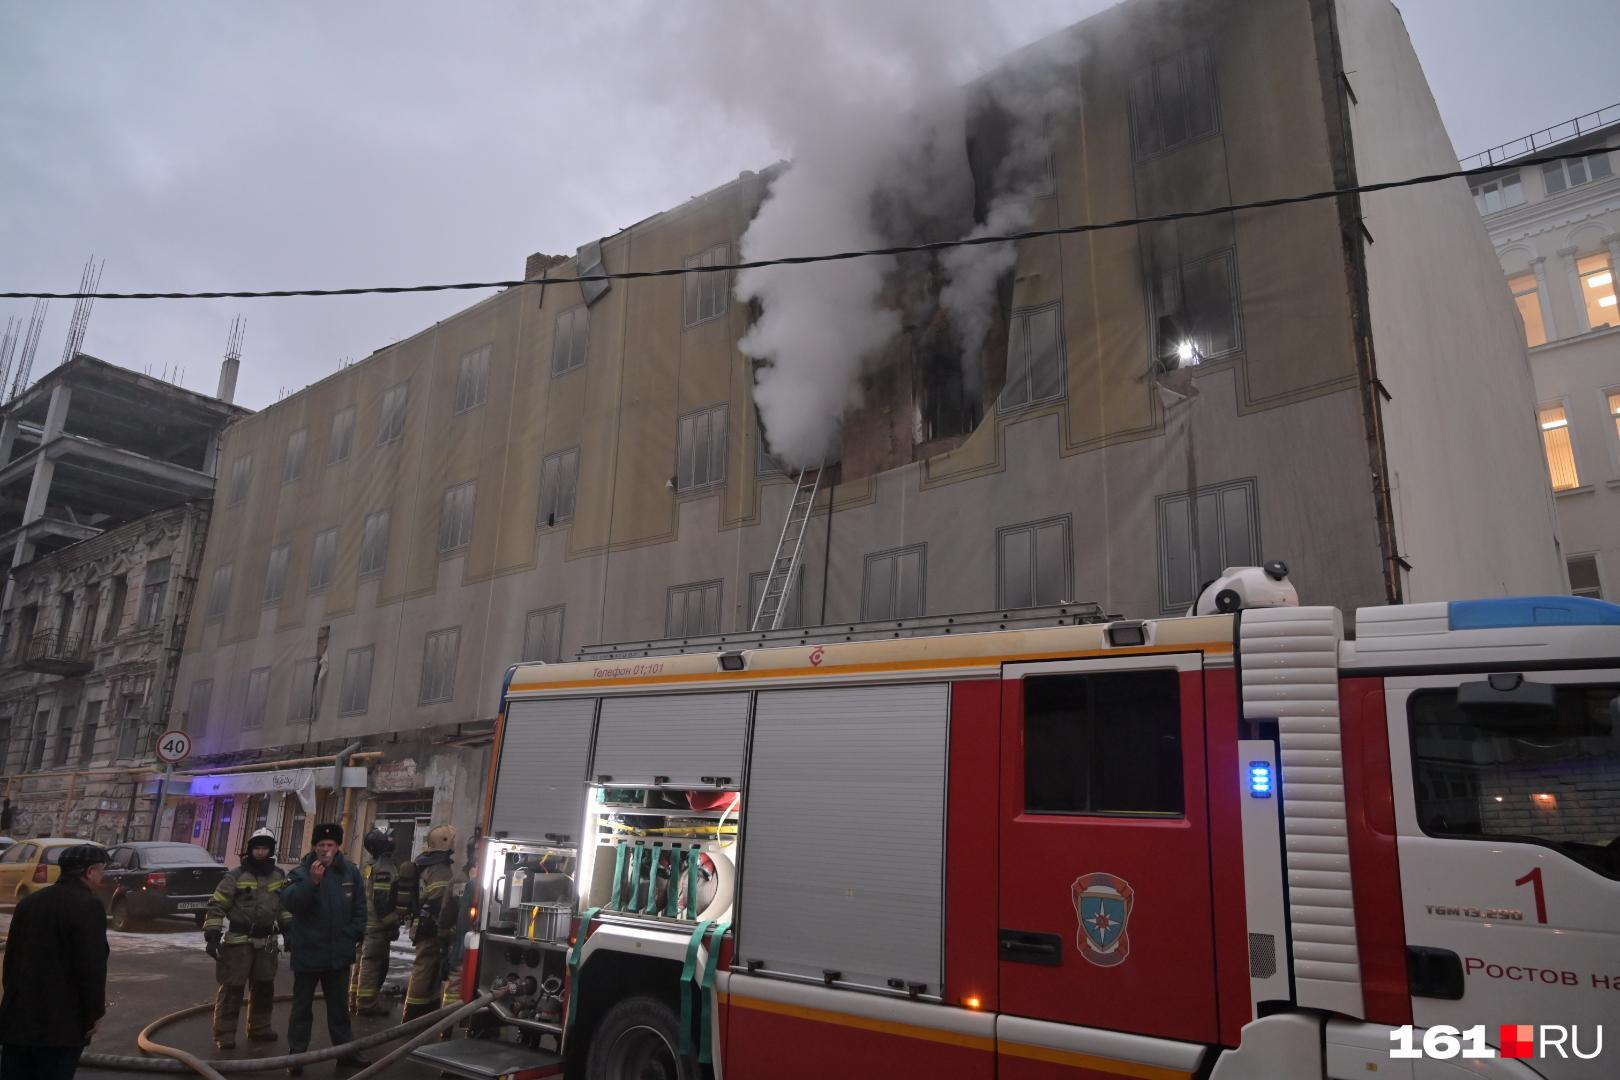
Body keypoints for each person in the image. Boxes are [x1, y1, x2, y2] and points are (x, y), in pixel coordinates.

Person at [0, 844, 110, 1080]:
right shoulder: (88, 906)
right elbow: (90, 966)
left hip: (17, 1020)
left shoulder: (30, 903)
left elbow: (11, 960)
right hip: (61, 1024)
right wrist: (93, 1012)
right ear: (89, 872)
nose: (103, 877)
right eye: (102, 871)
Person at [282, 823, 368, 1075]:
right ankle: (296, 1056)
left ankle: (345, 1052)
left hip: (338, 955)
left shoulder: (350, 873)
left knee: (339, 1007)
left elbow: (360, 909)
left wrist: (354, 933)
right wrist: (312, 882)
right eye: (321, 845)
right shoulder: (300, 873)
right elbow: (292, 904)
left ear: (338, 847)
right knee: (302, 1008)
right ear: (314, 847)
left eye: (330, 845)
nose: (325, 850)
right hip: (308, 953)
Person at [203, 827, 292, 1050]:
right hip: (239, 941)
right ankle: (224, 1034)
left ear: (270, 851)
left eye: (264, 848)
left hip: (266, 942)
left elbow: (283, 907)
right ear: (250, 850)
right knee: (232, 988)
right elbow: (217, 904)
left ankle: (260, 1028)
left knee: (264, 986)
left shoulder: (278, 876)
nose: (260, 852)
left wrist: (289, 930)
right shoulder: (235, 876)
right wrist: (212, 935)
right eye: (257, 848)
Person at [401, 825, 458, 1023]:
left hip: (424, 923)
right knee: (425, 969)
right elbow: (439, 901)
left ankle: (426, 1013)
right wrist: (445, 926)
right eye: (452, 840)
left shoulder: (426, 864)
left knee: (430, 968)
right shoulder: (439, 870)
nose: (455, 843)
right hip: (430, 925)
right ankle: (414, 1015)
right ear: (445, 843)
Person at [349, 828, 407, 1016]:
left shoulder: (370, 864)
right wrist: (391, 922)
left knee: (362, 962)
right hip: (377, 925)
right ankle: (366, 1004)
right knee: (372, 964)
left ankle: (354, 998)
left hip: (367, 922)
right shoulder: (384, 866)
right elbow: (382, 898)